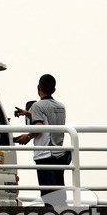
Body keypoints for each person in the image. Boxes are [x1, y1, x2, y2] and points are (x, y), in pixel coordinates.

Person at [14, 73, 68, 204]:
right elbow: (48, 119)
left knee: (48, 194)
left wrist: (27, 137)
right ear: (54, 90)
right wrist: (27, 113)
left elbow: (39, 126)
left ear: (38, 87)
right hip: (59, 154)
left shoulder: (38, 106)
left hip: (45, 154)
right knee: (59, 192)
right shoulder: (61, 106)